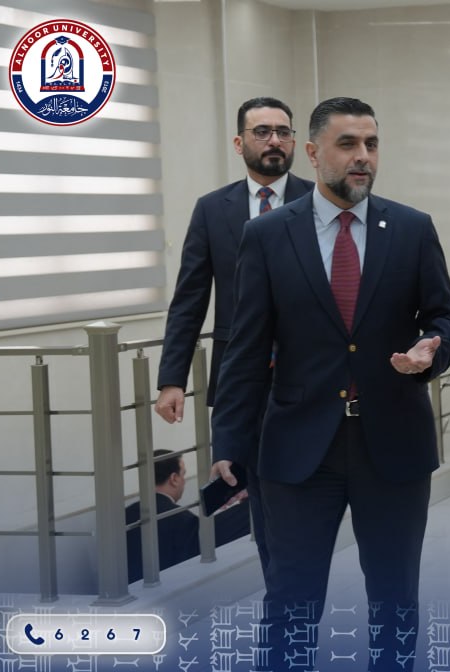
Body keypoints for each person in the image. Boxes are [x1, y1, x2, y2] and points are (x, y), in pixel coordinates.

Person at [209, 96, 450, 672]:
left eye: (371, 144)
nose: (363, 156)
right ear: (313, 152)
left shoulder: (411, 228)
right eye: (348, 144)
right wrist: (228, 440)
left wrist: (432, 347)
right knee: (291, 601)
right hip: (298, 450)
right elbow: (245, 347)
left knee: (395, 598)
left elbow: (447, 317)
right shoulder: (268, 235)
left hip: (393, 445)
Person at [155, 97, 314, 576]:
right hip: (240, 377)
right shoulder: (212, 209)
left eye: (283, 132)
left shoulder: (320, 200)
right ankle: (280, 589)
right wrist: (173, 379)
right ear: (239, 142)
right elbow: (189, 298)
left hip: (309, 372)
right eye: (262, 132)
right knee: (254, 493)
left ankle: (301, 581)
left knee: (306, 491)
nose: (274, 141)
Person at [125, 449, 250, 584]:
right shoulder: (182, 519)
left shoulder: (125, 515)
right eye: (183, 475)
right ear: (174, 479)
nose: (184, 481)